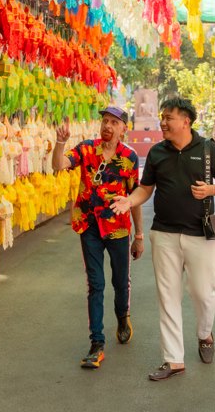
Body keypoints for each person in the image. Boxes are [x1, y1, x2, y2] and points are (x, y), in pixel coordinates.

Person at [111, 97, 215, 381]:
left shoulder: (207, 149)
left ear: (185, 121)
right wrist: (129, 201)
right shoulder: (157, 152)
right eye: (162, 117)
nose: (162, 122)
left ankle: (205, 334)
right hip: (164, 234)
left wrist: (211, 191)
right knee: (168, 297)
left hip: (200, 235)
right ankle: (173, 360)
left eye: (168, 117)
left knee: (203, 294)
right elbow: (145, 189)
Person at [52, 106, 144, 369]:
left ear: (123, 128)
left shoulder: (129, 158)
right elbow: (59, 164)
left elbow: (135, 198)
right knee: (95, 284)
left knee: (120, 282)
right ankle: (96, 344)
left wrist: (139, 235)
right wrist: (60, 142)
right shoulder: (86, 149)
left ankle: (122, 316)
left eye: (114, 122)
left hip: (117, 227)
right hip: (89, 225)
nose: (108, 126)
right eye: (105, 121)